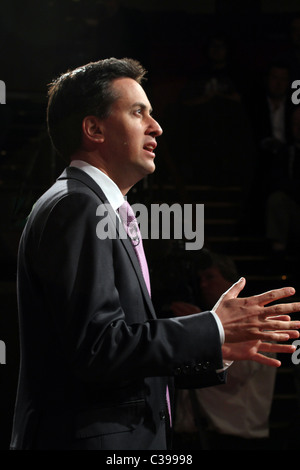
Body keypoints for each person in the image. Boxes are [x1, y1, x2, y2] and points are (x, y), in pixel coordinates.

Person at [9, 58, 300, 451]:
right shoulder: (76, 206)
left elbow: (116, 357)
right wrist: (210, 326)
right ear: (93, 129)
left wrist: (214, 346)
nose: (156, 127)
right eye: (137, 112)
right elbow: (97, 348)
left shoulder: (90, 205)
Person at [171, 250, 278, 450]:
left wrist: (203, 333)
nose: (203, 285)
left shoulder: (254, 319)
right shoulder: (202, 317)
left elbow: (237, 374)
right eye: (200, 279)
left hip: (236, 438)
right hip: (191, 435)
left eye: (210, 277)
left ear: (231, 282)